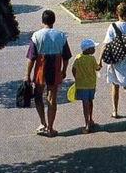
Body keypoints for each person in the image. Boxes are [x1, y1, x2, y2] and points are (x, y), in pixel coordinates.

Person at [24, 9, 72, 137]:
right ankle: (51, 128)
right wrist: (64, 70)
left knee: (38, 96)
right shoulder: (61, 36)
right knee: (52, 98)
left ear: (42, 21)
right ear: (54, 21)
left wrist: (27, 75)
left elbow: (31, 57)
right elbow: (66, 56)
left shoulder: (36, 36)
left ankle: (43, 123)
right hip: (55, 67)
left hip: (41, 68)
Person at [99, 2, 126, 128]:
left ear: (117, 13)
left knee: (115, 86)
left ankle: (115, 111)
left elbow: (106, 44)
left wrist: (99, 61)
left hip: (116, 60)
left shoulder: (112, 27)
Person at [72, 39, 99, 134]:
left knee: (85, 104)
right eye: (93, 48)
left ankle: (87, 122)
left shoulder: (78, 58)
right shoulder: (92, 59)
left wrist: (77, 78)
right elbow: (97, 68)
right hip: (91, 84)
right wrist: (100, 63)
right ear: (88, 49)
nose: (94, 49)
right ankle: (89, 121)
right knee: (90, 102)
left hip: (81, 85)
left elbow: (73, 69)